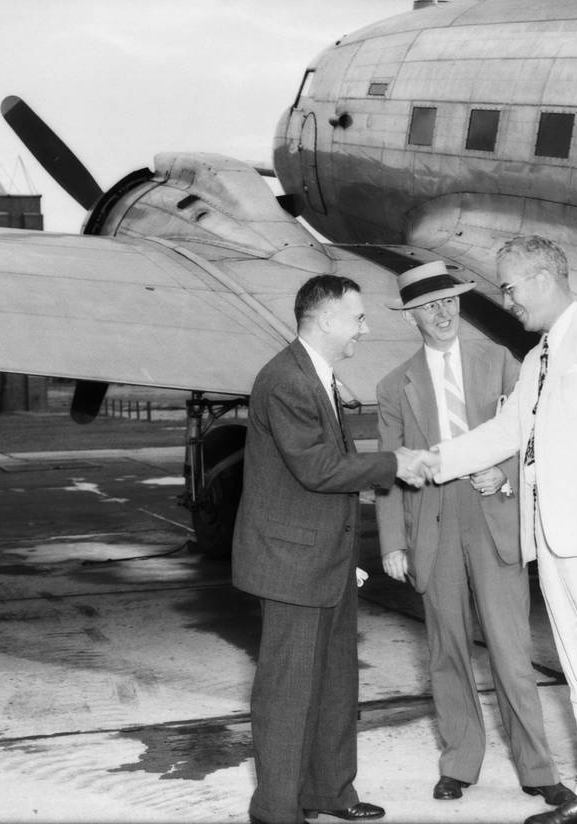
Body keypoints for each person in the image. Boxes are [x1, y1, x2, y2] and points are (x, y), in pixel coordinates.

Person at [422, 237, 577, 824]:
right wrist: (431, 460)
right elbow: (507, 433)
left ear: (541, 279)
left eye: (508, 287)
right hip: (555, 544)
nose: (506, 300)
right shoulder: (538, 358)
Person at [374, 260, 574, 809]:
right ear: (412, 316)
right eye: (428, 307)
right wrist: (392, 541)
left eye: (448, 302)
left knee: (512, 653)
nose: (441, 314)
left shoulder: (502, 362)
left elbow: (531, 435)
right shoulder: (395, 385)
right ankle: (459, 762)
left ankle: (537, 769)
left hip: (492, 517)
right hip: (431, 524)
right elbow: (388, 469)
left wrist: (505, 474)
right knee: (447, 650)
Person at [232, 275, 432, 824]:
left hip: (325, 558)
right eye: (358, 318)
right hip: (291, 563)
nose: (364, 330)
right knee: (289, 690)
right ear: (324, 320)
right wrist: (396, 463)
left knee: (335, 683)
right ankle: (275, 809)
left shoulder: (315, 375)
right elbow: (317, 469)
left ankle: (327, 791)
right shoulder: (288, 380)